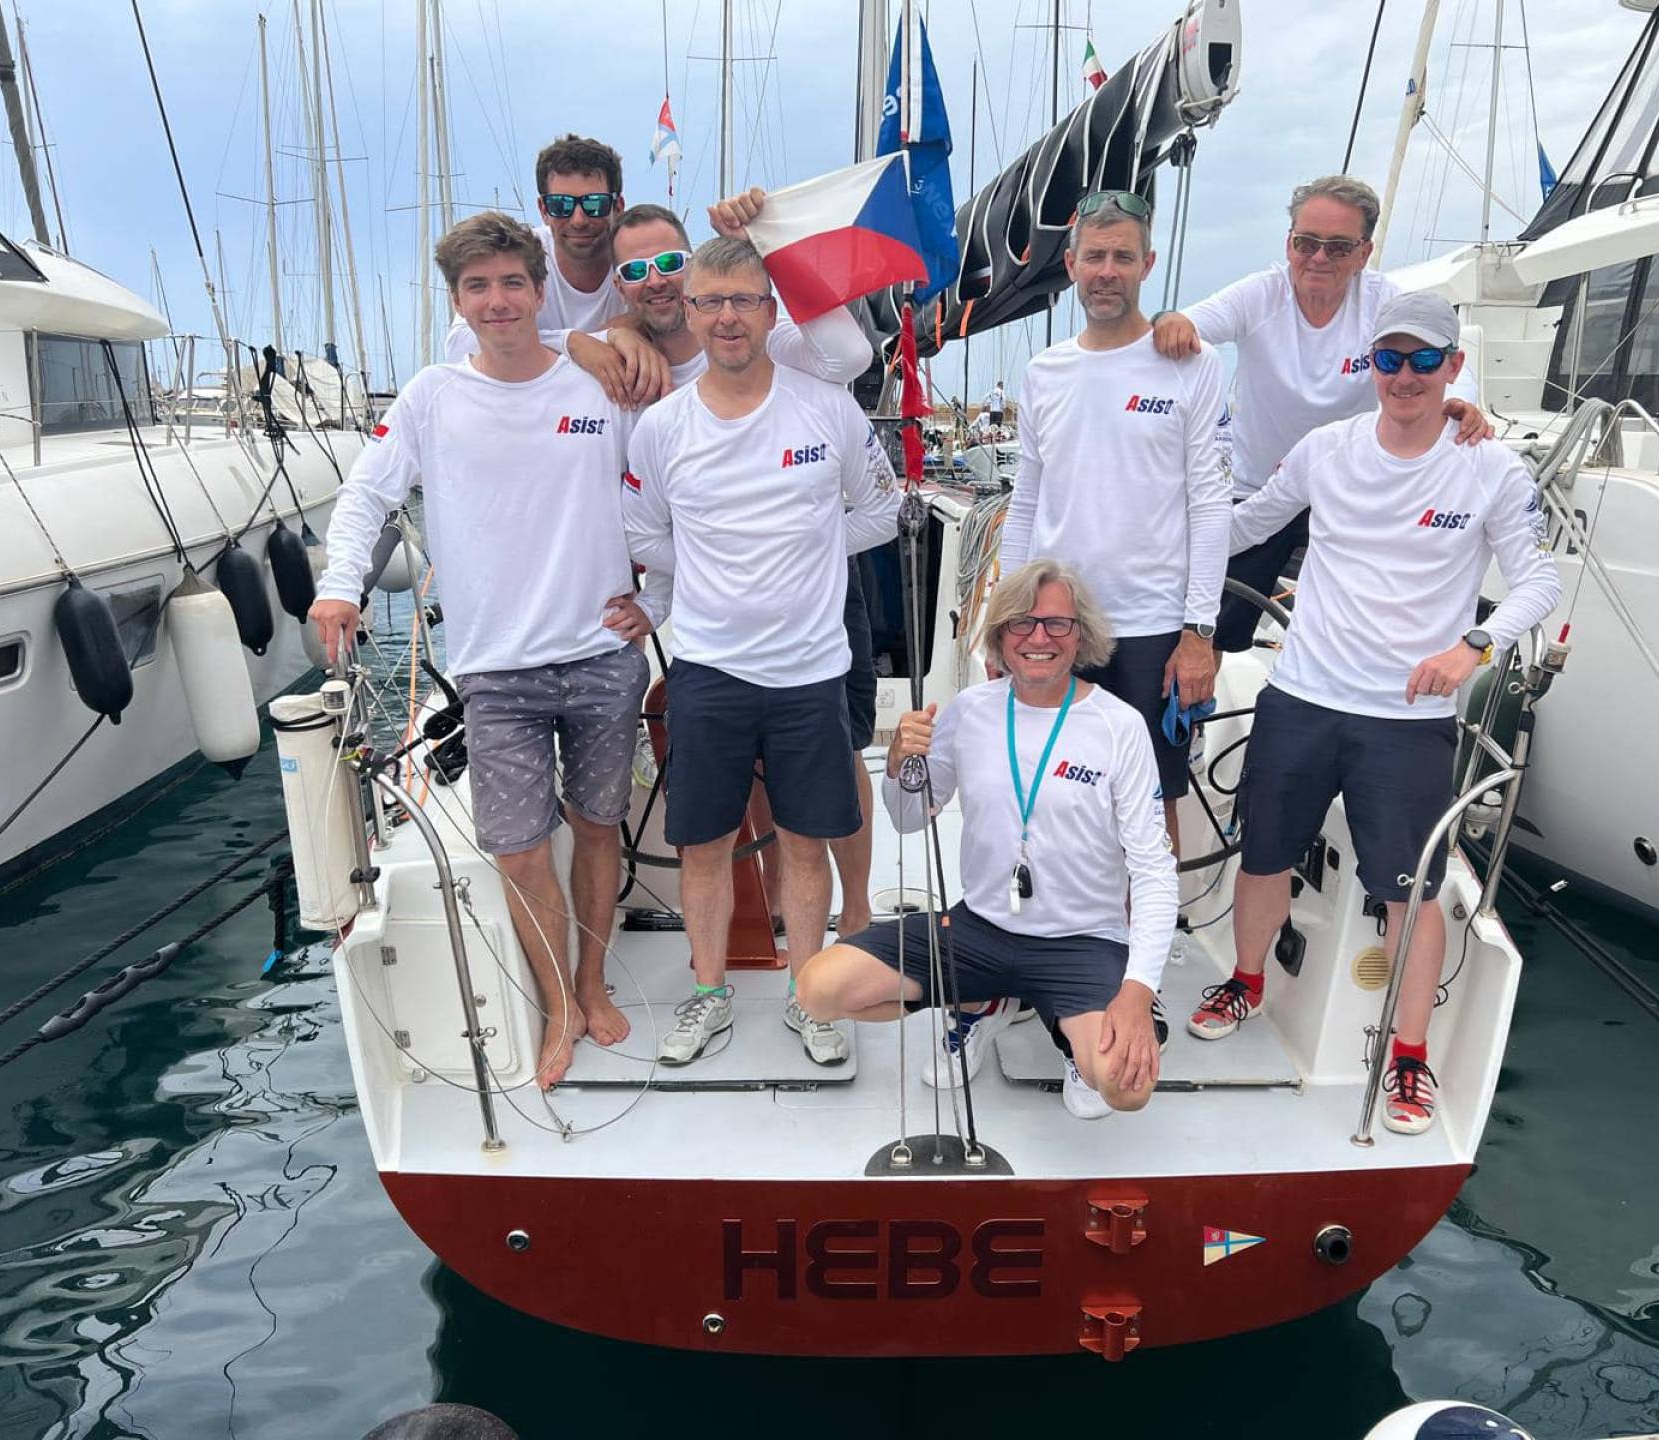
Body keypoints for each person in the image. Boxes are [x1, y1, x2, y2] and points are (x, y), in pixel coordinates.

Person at [1190, 291, 1559, 1137]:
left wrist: (1474, 647)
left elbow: (1539, 580)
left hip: (1407, 719)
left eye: (1423, 360)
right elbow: (1247, 525)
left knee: (1411, 892)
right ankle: (1247, 981)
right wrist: (1156, 528)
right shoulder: (1327, 450)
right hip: (1303, 696)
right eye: (1388, 359)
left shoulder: (1489, 468)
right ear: (1371, 367)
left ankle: (1409, 1055)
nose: (1404, 376)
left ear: (1453, 367)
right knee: (1263, 858)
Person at [309, 212, 663, 1089]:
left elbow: (664, 495)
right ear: (457, 301)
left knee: (597, 826)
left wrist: (659, 599)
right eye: (478, 287)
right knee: (516, 847)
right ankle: (559, 1004)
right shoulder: (431, 397)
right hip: (495, 668)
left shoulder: (599, 387)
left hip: (602, 653)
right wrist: (342, 583)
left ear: (540, 292)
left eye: (511, 283)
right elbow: (366, 496)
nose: (497, 301)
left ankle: (591, 980)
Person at [620, 236, 901, 1066]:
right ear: (690, 312)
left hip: (811, 670)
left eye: (744, 300)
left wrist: (807, 547)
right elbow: (643, 532)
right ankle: (708, 994)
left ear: (771, 311)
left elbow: (881, 510)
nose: (728, 317)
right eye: (711, 302)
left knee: (804, 843)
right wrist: (707, 568)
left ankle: (809, 995)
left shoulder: (828, 409)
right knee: (703, 844)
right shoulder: (662, 428)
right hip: (708, 668)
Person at [797, 560, 1173, 1120]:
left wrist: (1138, 991)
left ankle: (1068, 1034)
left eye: (1057, 623)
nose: (1039, 638)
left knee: (1126, 1089)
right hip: (979, 929)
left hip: (1082, 941)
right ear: (1000, 636)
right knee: (817, 990)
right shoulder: (970, 710)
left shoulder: (1120, 726)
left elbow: (1154, 871)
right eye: (1021, 623)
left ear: (1081, 635)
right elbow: (910, 818)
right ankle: (980, 1001)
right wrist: (899, 765)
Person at [1151, 175, 1492, 654]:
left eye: (1337, 247)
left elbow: (1450, 364)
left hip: (1349, 492)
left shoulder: (1384, 304)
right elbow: (1186, 324)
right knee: (1213, 630)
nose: (1318, 258)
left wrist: (1464, 401)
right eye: (1306, 243)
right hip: (1258, 488)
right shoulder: (1259, 295)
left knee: (1370, 619)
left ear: (1363, 253)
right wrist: (1167, 321)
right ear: (1288, 243)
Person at [997, 189, 1229, 865]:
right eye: (1094, 256)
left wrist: (1199, 632)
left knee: (1152, 801)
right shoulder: (1044, 373)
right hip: (1055, 621)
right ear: (1070, 265)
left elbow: (1211, 503)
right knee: (1054, 788)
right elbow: (1026, 499)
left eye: (1122, 258)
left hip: (1152, 625)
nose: (1107, 271)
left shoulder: (1193, 366)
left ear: (1146, 265)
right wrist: (1008, 618)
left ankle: (1149, 930)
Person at [441, 133, 665, 408]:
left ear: (617, 207)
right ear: (543, 209)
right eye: (561, 206)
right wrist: (576, 342)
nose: (578, 220)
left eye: (594, 204)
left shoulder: (639, 262)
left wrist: (642, 324)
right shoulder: (521, 258)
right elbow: (460, 347)